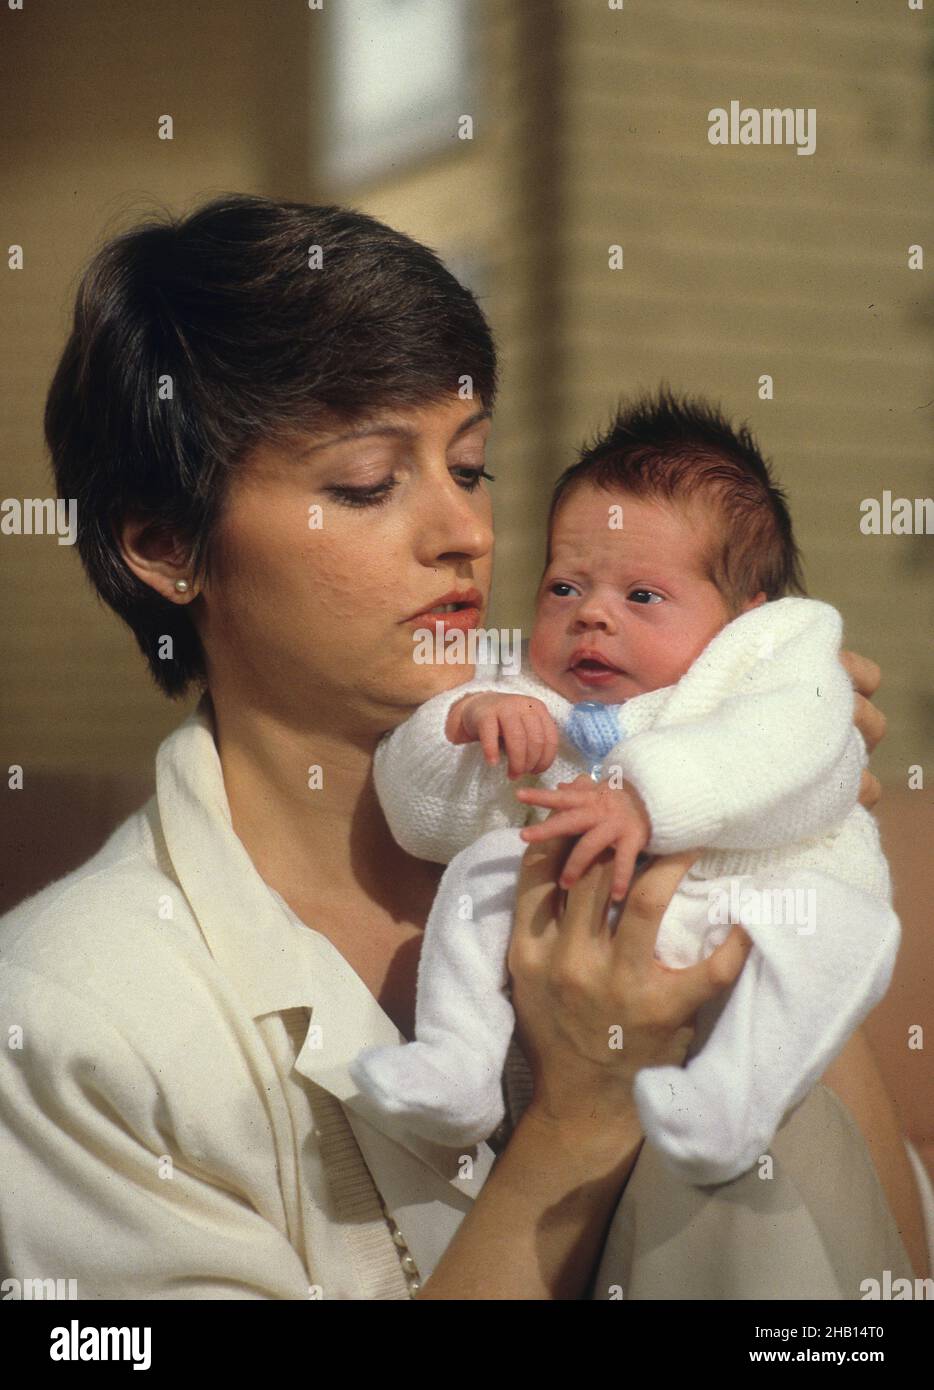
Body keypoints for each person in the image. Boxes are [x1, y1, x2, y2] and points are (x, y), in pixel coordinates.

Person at [0, 194, 927, 1300]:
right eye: (366, 483)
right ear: (165, 545)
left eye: (471, 466)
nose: (468, 532)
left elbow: (879, 1280)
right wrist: (579, 1113)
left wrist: (772, 828)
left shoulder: (602, 749)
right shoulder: (69, 1023)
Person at [352, 394, 900, 1189]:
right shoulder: (537, 699)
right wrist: (468, 722)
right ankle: (456, 1062)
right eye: (565, 589)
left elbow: (802, 741)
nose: (591, 619)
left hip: (749, 903)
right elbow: (419, 818)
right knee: (482, 876)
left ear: (747, 616)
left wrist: (651, 799)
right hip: (589, 960)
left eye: (642, 597)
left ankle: (731, 1105)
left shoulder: (780, 656)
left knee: (830, 939)